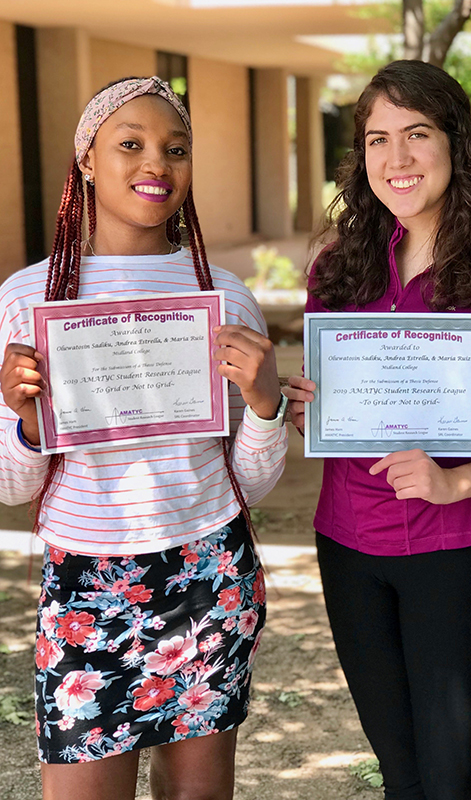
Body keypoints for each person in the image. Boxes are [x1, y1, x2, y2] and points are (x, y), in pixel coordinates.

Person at [284, 60, 471, 800]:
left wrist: (458, 480)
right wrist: (314, 409)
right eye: (378, 139)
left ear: (456, 145)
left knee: (450, 777)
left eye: (417, 134)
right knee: (400, 771)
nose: (397, 158)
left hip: (455, 550)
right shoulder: (336, 270)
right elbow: (337, 404)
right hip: (347, 542)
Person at [0, 77, 288, 800]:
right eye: (130, 144)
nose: (156, 163)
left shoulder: (222, 297)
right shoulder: (27, 299)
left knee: (197, 795)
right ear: (87, 160)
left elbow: (248, 483)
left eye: (176, 149)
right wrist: (27, 419)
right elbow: (10, 487)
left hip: (207, 569)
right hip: (86, 581)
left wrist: (264, 403)